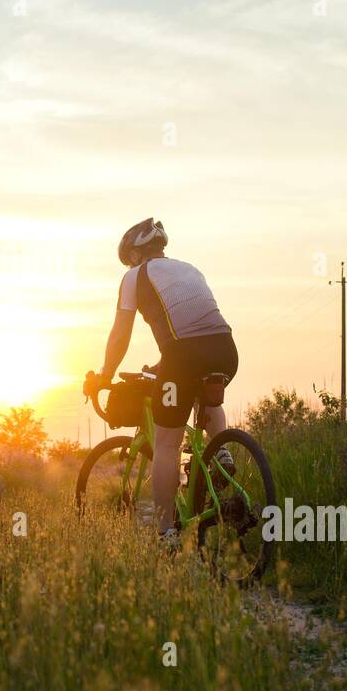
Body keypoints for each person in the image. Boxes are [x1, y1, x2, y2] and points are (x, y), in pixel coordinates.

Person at [86, 218, 238, 546]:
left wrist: (105, 375)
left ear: (135, 254)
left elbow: (120, 334)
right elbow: (194, 326)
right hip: (226, 350)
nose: (130, 265)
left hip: (184, 357)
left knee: (167, 445)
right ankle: (221, 452)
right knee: (206, 397)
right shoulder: (190, 269)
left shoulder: (134, 277)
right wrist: (160, 365)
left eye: (129, 259)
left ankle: (166, 532)